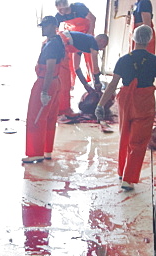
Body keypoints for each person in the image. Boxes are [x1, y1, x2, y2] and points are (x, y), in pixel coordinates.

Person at [96, 25, 156, 191]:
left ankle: (122, 172)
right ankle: (128, 179)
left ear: (134, 39)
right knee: (139, 140)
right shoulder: (154, 60)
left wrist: (101, 104)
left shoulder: (124, 60)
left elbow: (113, 85)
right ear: (149, 40)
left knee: (125, 136)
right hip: (144, 101)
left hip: (125, 100)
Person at [23, 17, 68, 164]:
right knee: (49, 117)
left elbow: (49, 69)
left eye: (46, 26)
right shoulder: (57, 41)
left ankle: (36, 153)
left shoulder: (51, 45)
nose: (43, 29)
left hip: (46, 82)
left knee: (36, 118)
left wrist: (44, 91)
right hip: (56, 82)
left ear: (54, 26)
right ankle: (46, 150)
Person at [54, 0, 97, 115]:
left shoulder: (79, 8)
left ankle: (94, 83)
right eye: (59, 10)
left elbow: (92, 18)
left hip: (86, 36)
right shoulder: (58, 16)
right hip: (72, 41)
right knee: (70, 68)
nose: (61, 12)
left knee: (91, 65)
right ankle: (69, 87)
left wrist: (89, 34)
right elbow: (76, 67)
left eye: (63, 9)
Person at [60, 31, 109, 103]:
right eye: (103, 46)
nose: (102, 49)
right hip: (62, 42)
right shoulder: (93, 42)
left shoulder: (81, 44)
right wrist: (97, 82)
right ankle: (62, 108)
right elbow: (95, 65)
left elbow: (76, 67)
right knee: (63, 79)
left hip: (61, 39)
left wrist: (85, 85)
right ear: (101, 41)